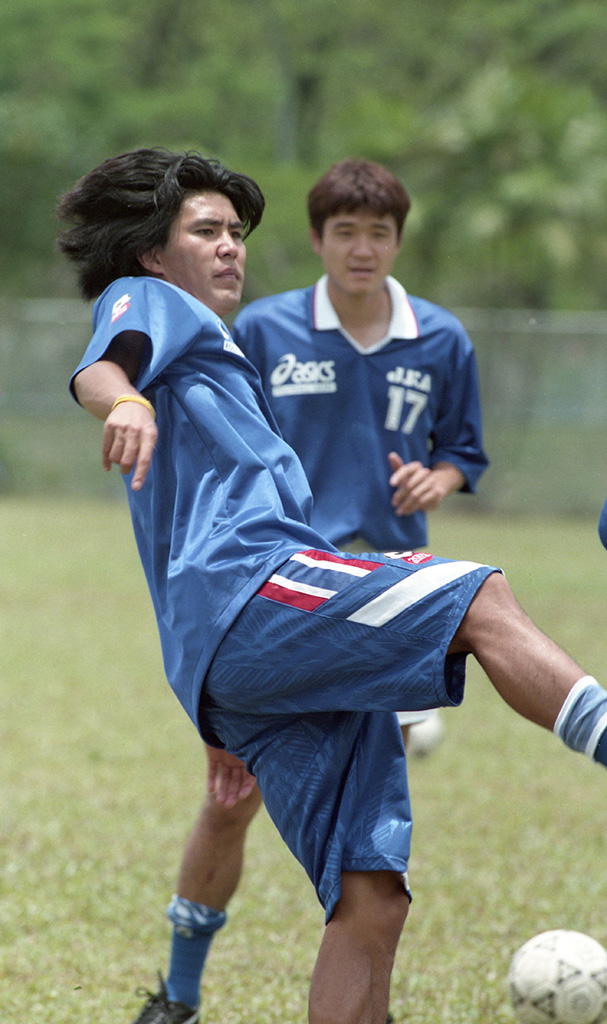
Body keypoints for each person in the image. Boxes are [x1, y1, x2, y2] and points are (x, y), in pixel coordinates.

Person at [59, 148, 607, 1024]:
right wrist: (121, 401)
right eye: (206, 231)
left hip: (250, 651)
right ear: (152, 252)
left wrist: (228, 699)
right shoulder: (152, 298)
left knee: (370, 895)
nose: (230, 246)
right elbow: (103, 366)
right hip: (253, 593)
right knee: (477, 596)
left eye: (236, 232)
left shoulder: (220, 347)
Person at [128, 157, 491, 1024]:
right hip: (277, 591)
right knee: (229, 802)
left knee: (367, 828)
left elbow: (462, 452)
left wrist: (438, 480)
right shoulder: (263, 328)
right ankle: (177, 995)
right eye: (344, 233)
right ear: (319, 240)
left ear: (398, 242)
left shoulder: (441, 339)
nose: (362, 249)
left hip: (385, 594)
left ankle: (361, 997)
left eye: (378, 234)